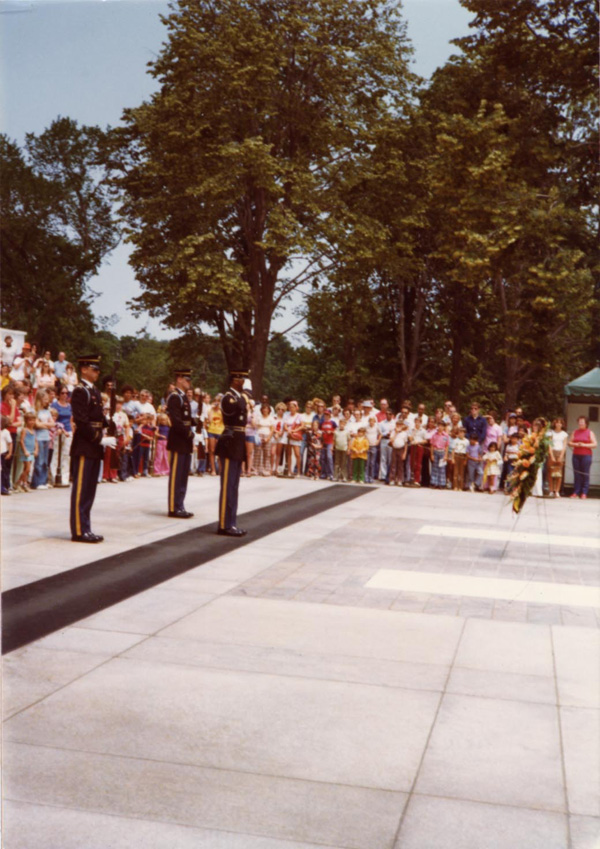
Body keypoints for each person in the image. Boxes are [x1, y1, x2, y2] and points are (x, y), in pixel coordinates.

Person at [70, 355, 115, 541]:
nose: (97, 372)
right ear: (84, 370)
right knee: (81, 490)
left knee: (90, 490)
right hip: (85, 445)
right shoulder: (80, 391)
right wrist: (99, 439)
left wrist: (108, 424)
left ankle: (86, 527)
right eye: (94, 369)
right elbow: (81, 421)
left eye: (98, 369)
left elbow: (97, 417)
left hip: (94, 447)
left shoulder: (95, 391)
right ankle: (79, 530)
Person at [215, 368, 249, 536]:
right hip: (229, 444)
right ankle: (223, 524)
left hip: (238, 443)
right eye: (243, 380)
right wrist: (245, 396)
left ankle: (231, 523)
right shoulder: (228, 398)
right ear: (236, 380)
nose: (245, 383)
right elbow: (239, 409)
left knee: (234, 486)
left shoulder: (238, 397)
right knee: (228, 485)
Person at [166, 368, 195, 518]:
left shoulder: (184, 397)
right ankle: (173, 506)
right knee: (177, 476)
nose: (189, 382)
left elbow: (185, 418)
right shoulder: (175, 397)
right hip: (178, 440)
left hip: (185, 441)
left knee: (183, 475)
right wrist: (188, 432)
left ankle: (180, 504)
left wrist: (195, 422)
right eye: (187, 379)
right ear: (179, 379)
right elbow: (176, 421)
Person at [569, 415, 597, 500]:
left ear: (586, 423)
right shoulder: (575, 432)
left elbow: (595, 444)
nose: (580, 423)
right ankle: (576, 492)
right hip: (576, 455)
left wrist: (584, 445)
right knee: (577, 474)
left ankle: (584, 493)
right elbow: (569, 443)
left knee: (585, 473)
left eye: (582, 422)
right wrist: (576, 444)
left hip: (586, 456)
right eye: (579, 422)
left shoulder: (590, 432)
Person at [50, 387, 73, 486]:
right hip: (58, 431)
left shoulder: (69, 406)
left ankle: (65, 477)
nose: (64, 395)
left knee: (66, 455)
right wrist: (58, 428)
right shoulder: (54, 405)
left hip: (68, 431)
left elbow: (71, 419)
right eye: (62, 393)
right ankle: (54, 476)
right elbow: (53, 418)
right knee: (56, 454)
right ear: (59, 394)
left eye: (66, 393)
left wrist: (72, 431)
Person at [31, 390, 53, 489]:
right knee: (39, 460)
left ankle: (44, 481)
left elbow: (52, 423)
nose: (46, 401)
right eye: (45, 399)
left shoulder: (47, 411)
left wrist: (43, 425)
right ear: (40, 399)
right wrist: (46, 425)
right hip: (38, 437)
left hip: (46, 437)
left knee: (45, 460)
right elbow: (36, 424)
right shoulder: (34, 410)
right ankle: (37, 482)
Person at [16, 411, 37, 492]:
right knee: (27, 469)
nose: (32, 422)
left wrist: (36, 450)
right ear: (26, 421)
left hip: (31, 451)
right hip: (26, 451)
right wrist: (25, 451)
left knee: (27, 469)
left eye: (33, 420)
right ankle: (18, 482)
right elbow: (21, 441)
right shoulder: (25, 430)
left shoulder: (33, 430)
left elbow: (35, 441)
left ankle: (24, 484)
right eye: (30, 420)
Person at [548, 418, 568, 498]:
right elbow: (549, 444)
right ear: (554, 424)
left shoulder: (564, 434)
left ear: (562, 425)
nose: (558, 424)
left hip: (560, 452)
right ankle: (551, 490)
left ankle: (557, 491)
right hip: (552, 451)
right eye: (557, 423)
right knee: (550, 473)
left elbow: (564, 446)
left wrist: (561, 456)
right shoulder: (551, 433)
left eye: (560, 423)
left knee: (559, 473)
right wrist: (551, 455)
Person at [430, 421, 450, 489]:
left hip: (442, 452)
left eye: (442, 426)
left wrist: (446, 455)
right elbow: (432, 445)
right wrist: (432, 454)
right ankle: (434, 482)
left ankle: (441, 483)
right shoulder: (434, 435)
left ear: (444, 427)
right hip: (435, 451)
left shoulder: (446, 435)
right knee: (435, 468)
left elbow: (447, 446)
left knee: (442, 468)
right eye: (439, 426)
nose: (440, 427)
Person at [1, 415, 13, 495]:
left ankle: (4, 486)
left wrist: (10, 453)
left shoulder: (5, 432)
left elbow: (10, 443)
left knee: (3, 471)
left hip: (2, 453)